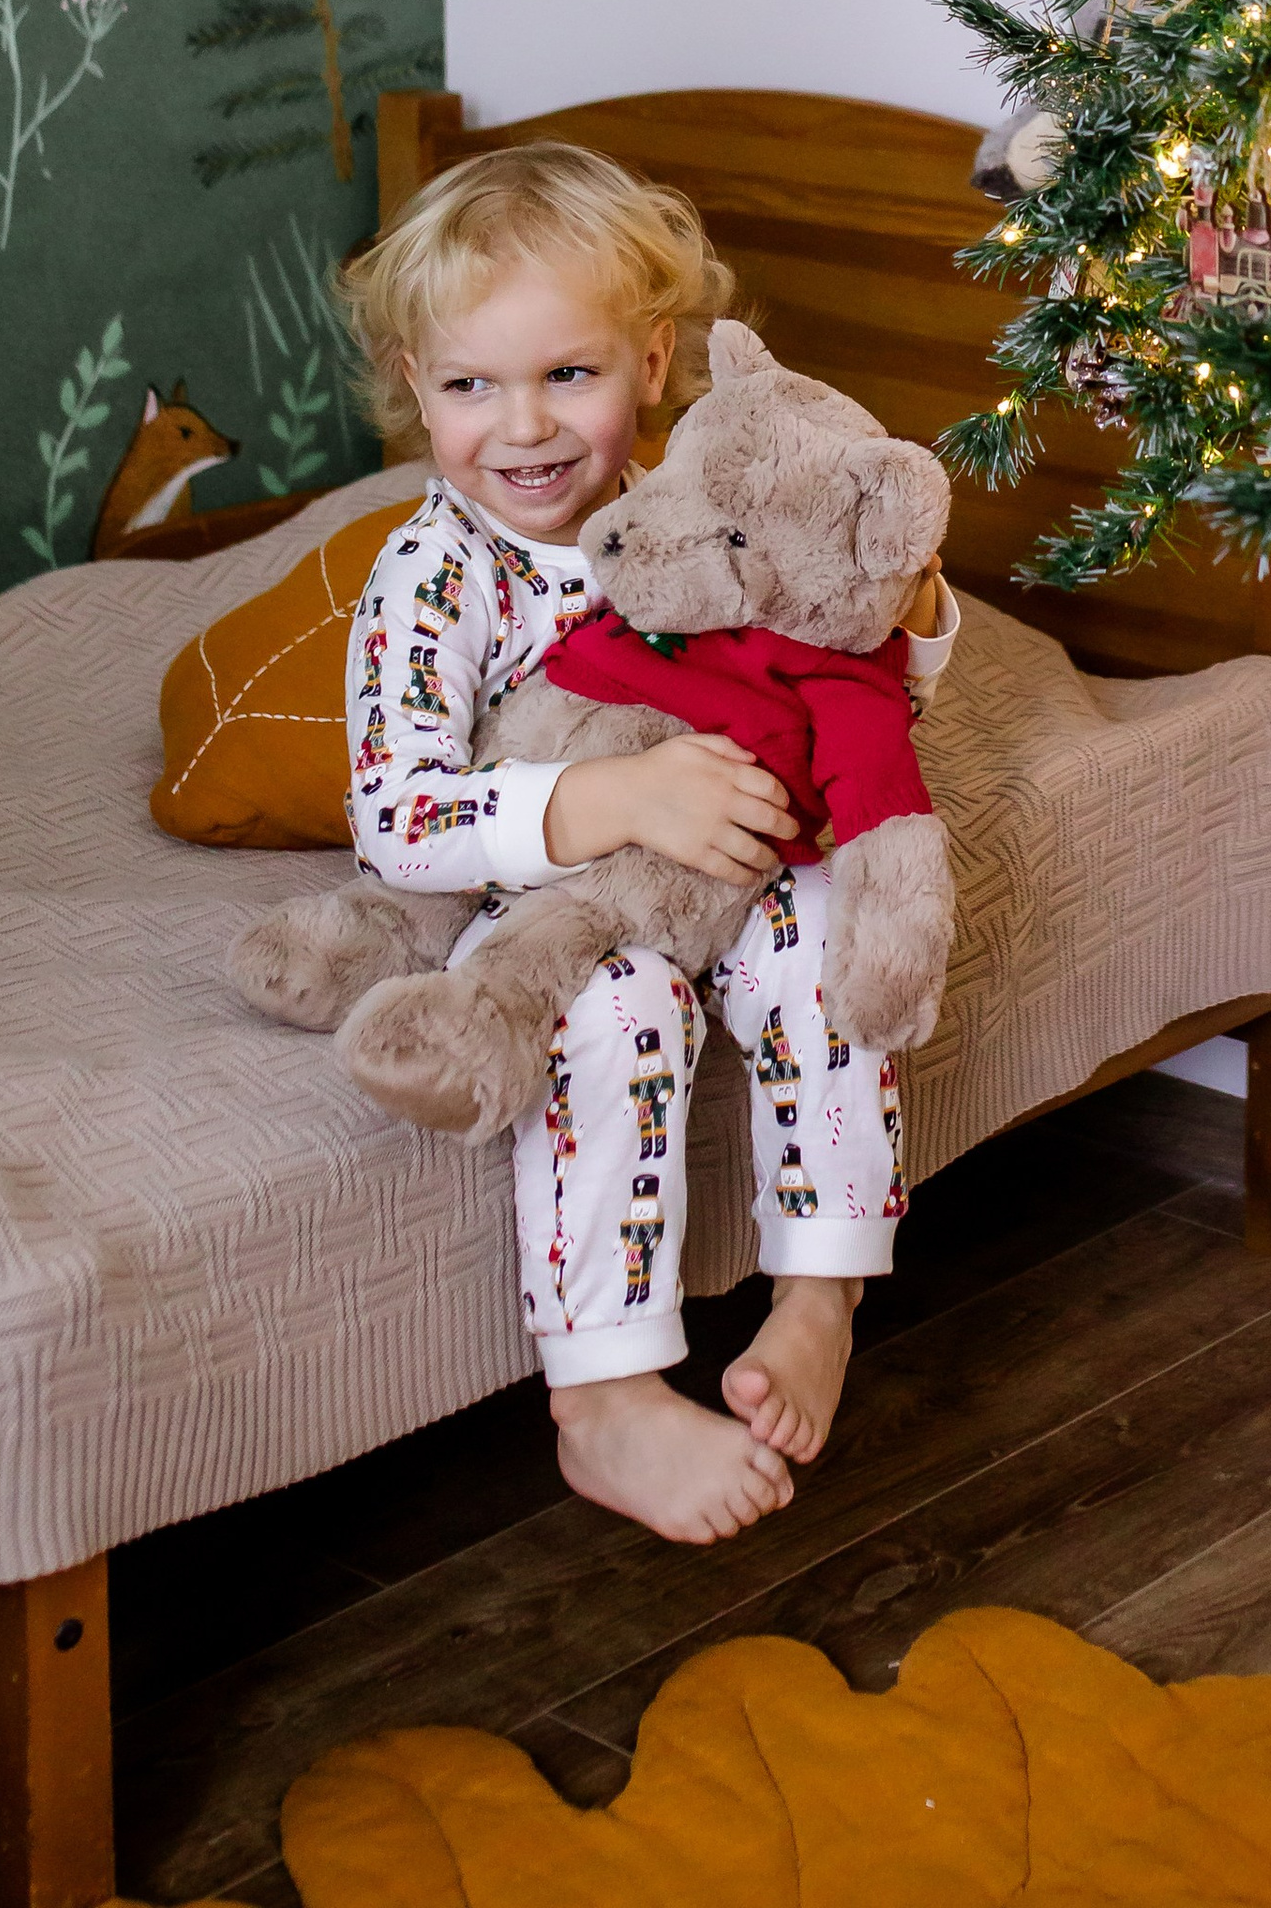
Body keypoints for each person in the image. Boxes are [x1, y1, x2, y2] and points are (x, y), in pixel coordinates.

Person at [336, 143, 955, 1544]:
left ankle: (822, 1288)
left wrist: (911, 609)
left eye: (570, 374)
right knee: (620, 1015)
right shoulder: (434, 575)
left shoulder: (711, 506)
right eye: (470, 386)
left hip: (735, 862)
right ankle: (605, 1395)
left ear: (657, 362)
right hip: (544, 903)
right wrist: (616, 801)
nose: (524, 428)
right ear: (416, 387)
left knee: (829, 938)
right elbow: (397, 817)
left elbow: (845, 679)